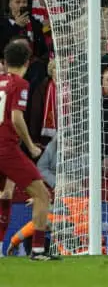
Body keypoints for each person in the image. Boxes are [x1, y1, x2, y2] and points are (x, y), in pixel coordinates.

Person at [0, 41, 57, 260]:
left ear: (5, 62)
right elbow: (16, 118)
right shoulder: (20, 84)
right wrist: (31, 146)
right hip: (7, 149)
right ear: (27, 62)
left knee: (5, 194)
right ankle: (38, 250)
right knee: (42, 195)